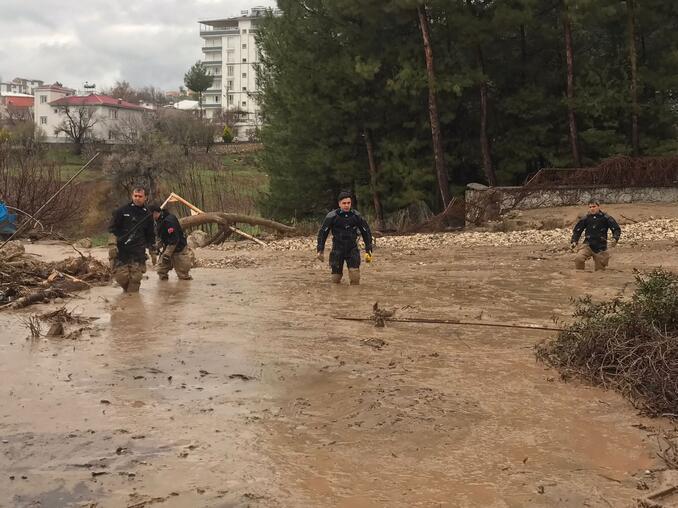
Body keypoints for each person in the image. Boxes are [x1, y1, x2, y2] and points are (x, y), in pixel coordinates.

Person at [316, 191, 373, 285]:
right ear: (339, 204)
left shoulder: (356, 216)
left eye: (348, 203)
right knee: (335, 279)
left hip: (352, 249)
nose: (346, 205)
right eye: (344, 203)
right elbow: (323, 233)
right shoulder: (331, 217)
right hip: (337, 249)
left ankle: (354, 298)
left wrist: (368, 249)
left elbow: (366, 232)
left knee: (355, 278)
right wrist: (320, 249)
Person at [108, 187, 156, 292]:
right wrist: (112, 245)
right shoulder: (121, 211)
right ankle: (127, 297)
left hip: (138, 252)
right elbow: (112, 229)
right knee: (121, 278)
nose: (137, 198)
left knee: (135, 280)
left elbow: (150, 235)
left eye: (140, 196)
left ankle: (132, 303)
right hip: (122, 250)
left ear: (145, 198)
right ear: (132, 196)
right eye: (135, 196)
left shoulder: (148, 214)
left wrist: (152, 251)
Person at [570, 200, 621, 271]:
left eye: (594, 206)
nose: (592, 208)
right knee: (578, 259)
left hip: (601, 247)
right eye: (590, 207)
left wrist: (615, 238)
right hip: (587, 245)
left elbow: (616, 229)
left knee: (600, 271)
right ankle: (580, 277)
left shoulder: (606, 217)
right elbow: (577, 230)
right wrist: (574, 241)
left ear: (598, 206)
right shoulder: (586, 218)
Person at [148, 204, 194, 281]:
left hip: (179, 248)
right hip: (168, 247)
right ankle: (164, 288)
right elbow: (162, 237)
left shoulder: (169, 221)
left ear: (155, 213)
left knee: (183, 274)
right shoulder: (158, 220)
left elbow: (174, 239)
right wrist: (156, 246)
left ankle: (184, 289)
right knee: (161, 269)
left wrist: (167, 254)